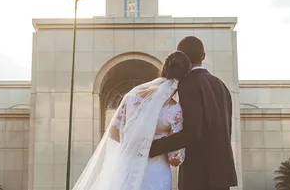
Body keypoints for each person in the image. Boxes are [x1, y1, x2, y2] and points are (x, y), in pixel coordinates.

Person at [72, 51, 192, 190]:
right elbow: (175, 159)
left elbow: (114, 131)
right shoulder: (174, 110)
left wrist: (133, 144)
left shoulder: (133, 96)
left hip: (128, 166)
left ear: (163, 70)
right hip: (156, 172)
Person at [149, 36, 238, 190]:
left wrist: (152, 147)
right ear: (203, 56)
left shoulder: (188, 83)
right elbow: (226, 129)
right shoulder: (221, 85)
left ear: (182, 58)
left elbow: (192, 132)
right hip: (222, 171)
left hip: (198, 173)